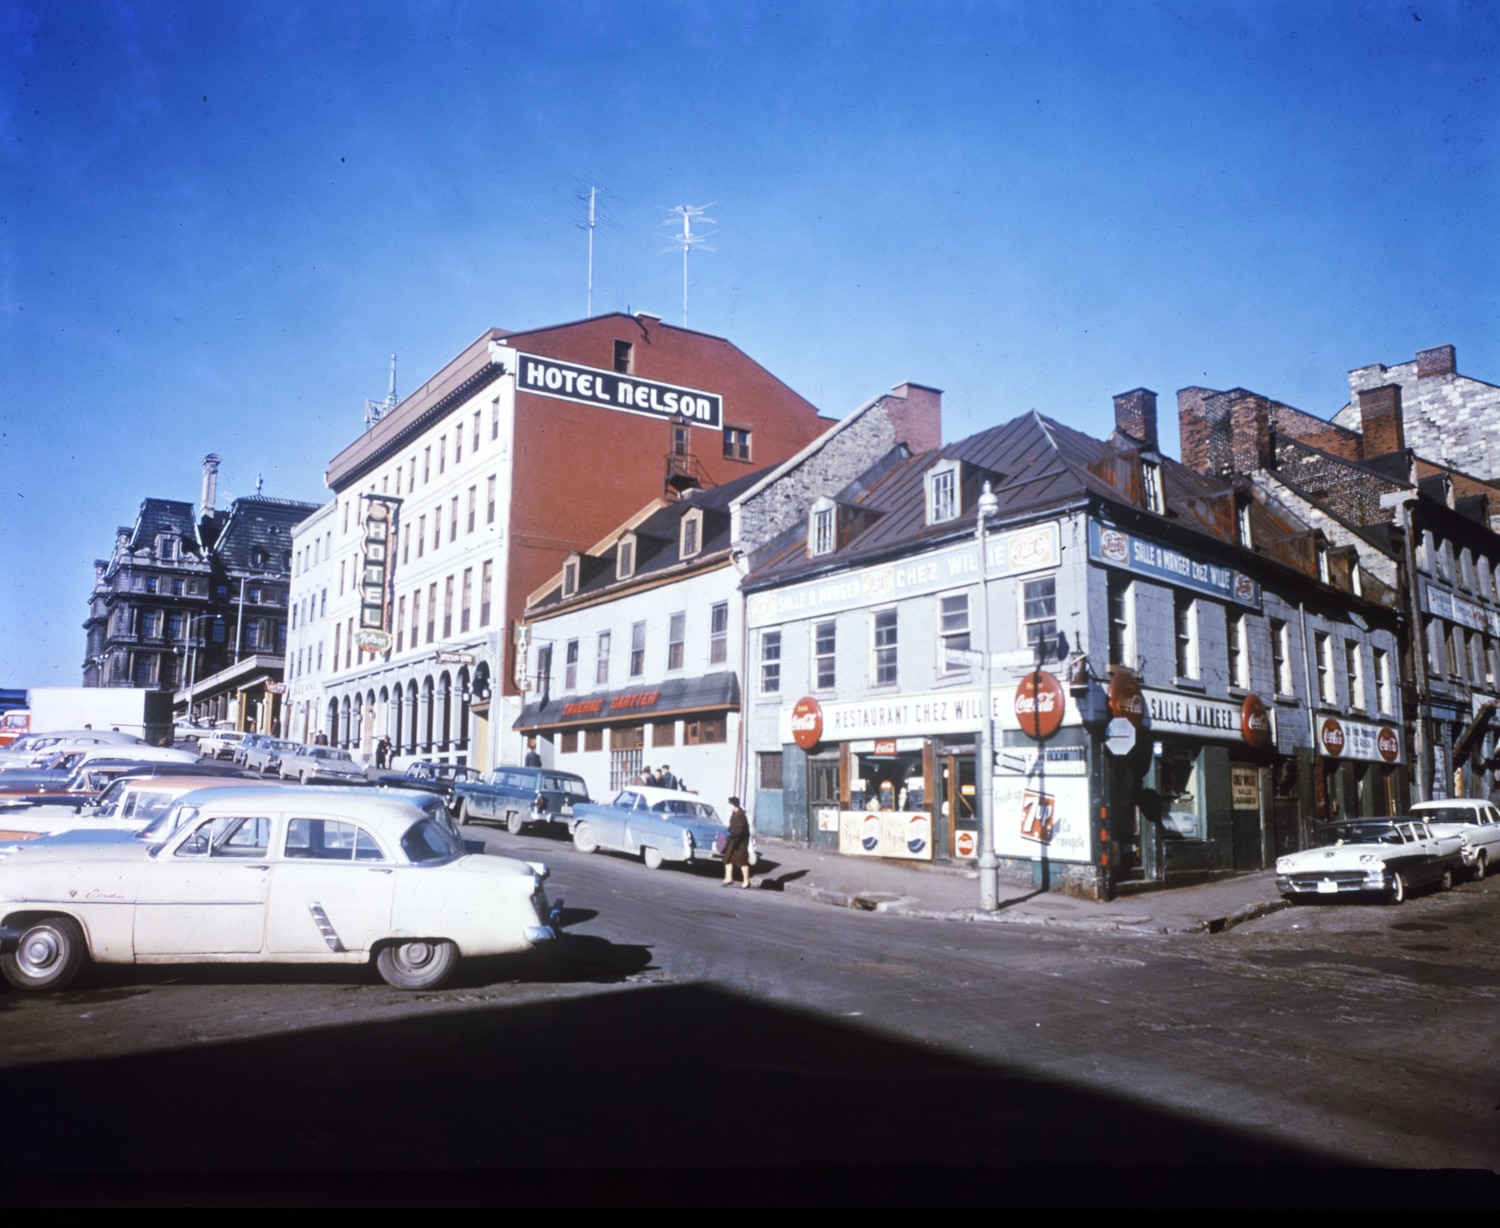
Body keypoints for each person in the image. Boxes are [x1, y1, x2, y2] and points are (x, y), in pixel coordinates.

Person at [721, 796, 753, 889]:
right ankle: (728, 878)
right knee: (728, 858)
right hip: (733, 842)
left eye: (730, 804)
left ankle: (746, 881)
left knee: (742, 862)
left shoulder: (741, 816)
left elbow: (741, 829)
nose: (729, 806)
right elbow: (732, 826)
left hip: (740, 843)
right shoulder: (734, 814)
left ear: (734, 805)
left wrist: (732, 834)